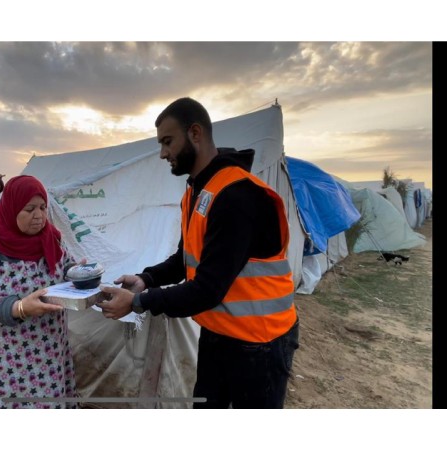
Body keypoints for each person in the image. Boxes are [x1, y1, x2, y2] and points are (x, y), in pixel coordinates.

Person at [99, 97, 299, 409]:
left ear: (195, 133)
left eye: (167, 142)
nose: (163, 153)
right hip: (218, 334)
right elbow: (186, 258)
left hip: (260, 342)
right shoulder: (197, 191)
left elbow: (207, 289)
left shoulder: (237, 196)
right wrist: (146, 279)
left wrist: (138, 302)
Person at [0, 175, 81, 409]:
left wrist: (80, 273)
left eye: (43, 207)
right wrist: (19, 308)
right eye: (30, 209)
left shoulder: (52, 239)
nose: (39, 216)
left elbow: (67, 268)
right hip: (9, 366)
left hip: (51, 354)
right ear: (12, 207)